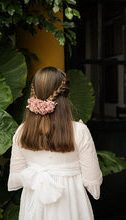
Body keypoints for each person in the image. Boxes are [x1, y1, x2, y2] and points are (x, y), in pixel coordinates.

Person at [8, 66, 102, 220]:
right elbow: (92, 181)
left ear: (34, 93)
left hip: (34, 206)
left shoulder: (21, 131)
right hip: (71, 205)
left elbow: (17, 176)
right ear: (65, 96)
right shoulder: (79, 131)